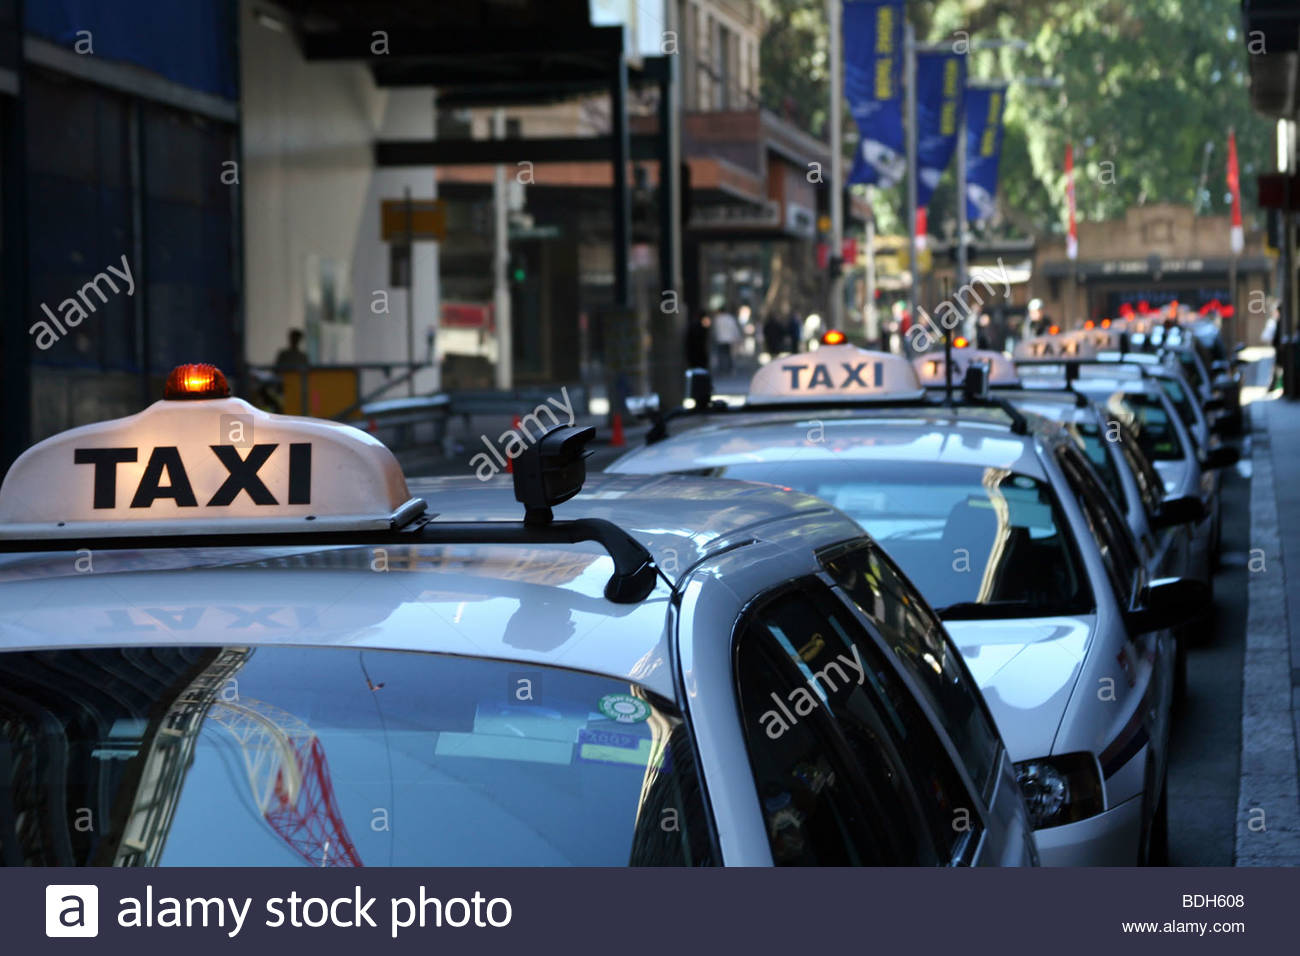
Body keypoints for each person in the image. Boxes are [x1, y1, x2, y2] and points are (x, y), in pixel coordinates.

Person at [712, 304, 741, 375]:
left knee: (721, 355)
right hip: (729, 340)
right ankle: (729, 369)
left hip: (720, 339)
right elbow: (734, 329)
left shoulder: (717, 319)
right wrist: (737, 338)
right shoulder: (730, 318)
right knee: (729, 355)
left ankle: (722, 369)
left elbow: (714, 330)